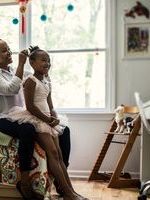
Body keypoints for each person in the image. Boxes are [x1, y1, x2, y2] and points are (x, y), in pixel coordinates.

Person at [0, 39, 72, 199]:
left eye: (9, 49)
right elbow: (12, 89)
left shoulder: (23, 73)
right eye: (3, 51)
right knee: (28, 130)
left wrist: (38, 58)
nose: (9, 52)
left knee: (64, 131)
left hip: (23, 116)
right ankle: (24, 181)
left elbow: (42, 80)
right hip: (1, 117)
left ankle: (60, 181)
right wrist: (22, 64)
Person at [6, 46, 88, 200]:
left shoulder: (47, 80)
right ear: (32, 62)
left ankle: (70, 191)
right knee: (53, 153)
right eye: (43, 60)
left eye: (49, 61)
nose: (47, 63)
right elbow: (30, 106)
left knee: (59, 155)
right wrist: (47, 120)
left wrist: (54, 116)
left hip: (49, 120)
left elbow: (49, 102)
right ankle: (69, 194)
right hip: (38, 120)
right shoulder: (30, 81)